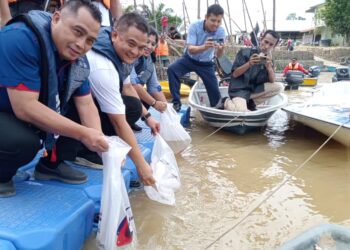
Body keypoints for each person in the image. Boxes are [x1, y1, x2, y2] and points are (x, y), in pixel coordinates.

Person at [0, 0, 109, 198]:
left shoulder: (77, 58)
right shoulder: (20, 37)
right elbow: (25, 107)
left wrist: (101, 143)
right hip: (11, 109)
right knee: (21, 142)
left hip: (12, 111)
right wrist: (83, 134)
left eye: (90, 40)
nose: (81, 44)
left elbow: (86, 103)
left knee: (78, 111)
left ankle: (51, 165)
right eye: (77, 31)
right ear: (57, 18)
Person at [57, 13, 157, 186]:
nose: (135, 52)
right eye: (131, 44)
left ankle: (98, 143)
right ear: (115, 35)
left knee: (132, 106)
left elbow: (128, 87)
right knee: (118, 115)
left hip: (88, 100)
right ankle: (79, 152)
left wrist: (148, 117)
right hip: (68, 108)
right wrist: (141, 166)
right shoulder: (104, 66)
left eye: (141, 47)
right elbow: (118, 122)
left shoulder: (124, 54)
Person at [167, 4, 226, 112]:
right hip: (189, 59)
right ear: (206, 17)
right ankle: (176, 102)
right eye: (213, 20)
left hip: (206, 63)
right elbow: (190, 49)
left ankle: (216, 108)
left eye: (219, 21)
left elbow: (218, 56)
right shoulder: (194, 26)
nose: (216, 24)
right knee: (172, 70)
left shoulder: (221, 32)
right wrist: (205, 46)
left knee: (214, 91)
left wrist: (221, 48)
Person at [224, 30, 284, 112]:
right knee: (241, 111)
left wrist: (269, 68)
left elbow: (272, 81)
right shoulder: (244, 52)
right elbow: (234, 74)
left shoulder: (268, 59)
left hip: (254, 91)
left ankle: (250, 103)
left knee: (279, 87)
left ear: (274, 46)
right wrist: (249, 63)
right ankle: (226, 102)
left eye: (271, 45)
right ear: (261, 39)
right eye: (266, 42)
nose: (267, 46)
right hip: (239, 90)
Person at [131, 27, 168, 114]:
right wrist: (154, 103)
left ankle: (132, 121)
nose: (149, 47)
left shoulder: (150, 61)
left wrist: (167, 108)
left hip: (134, 91)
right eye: (147, 42)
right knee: (137, 101)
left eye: (153, 44)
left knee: (149, 98)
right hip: (120, 93)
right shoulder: (130, 54)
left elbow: (154, 87)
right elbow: (133, 83)